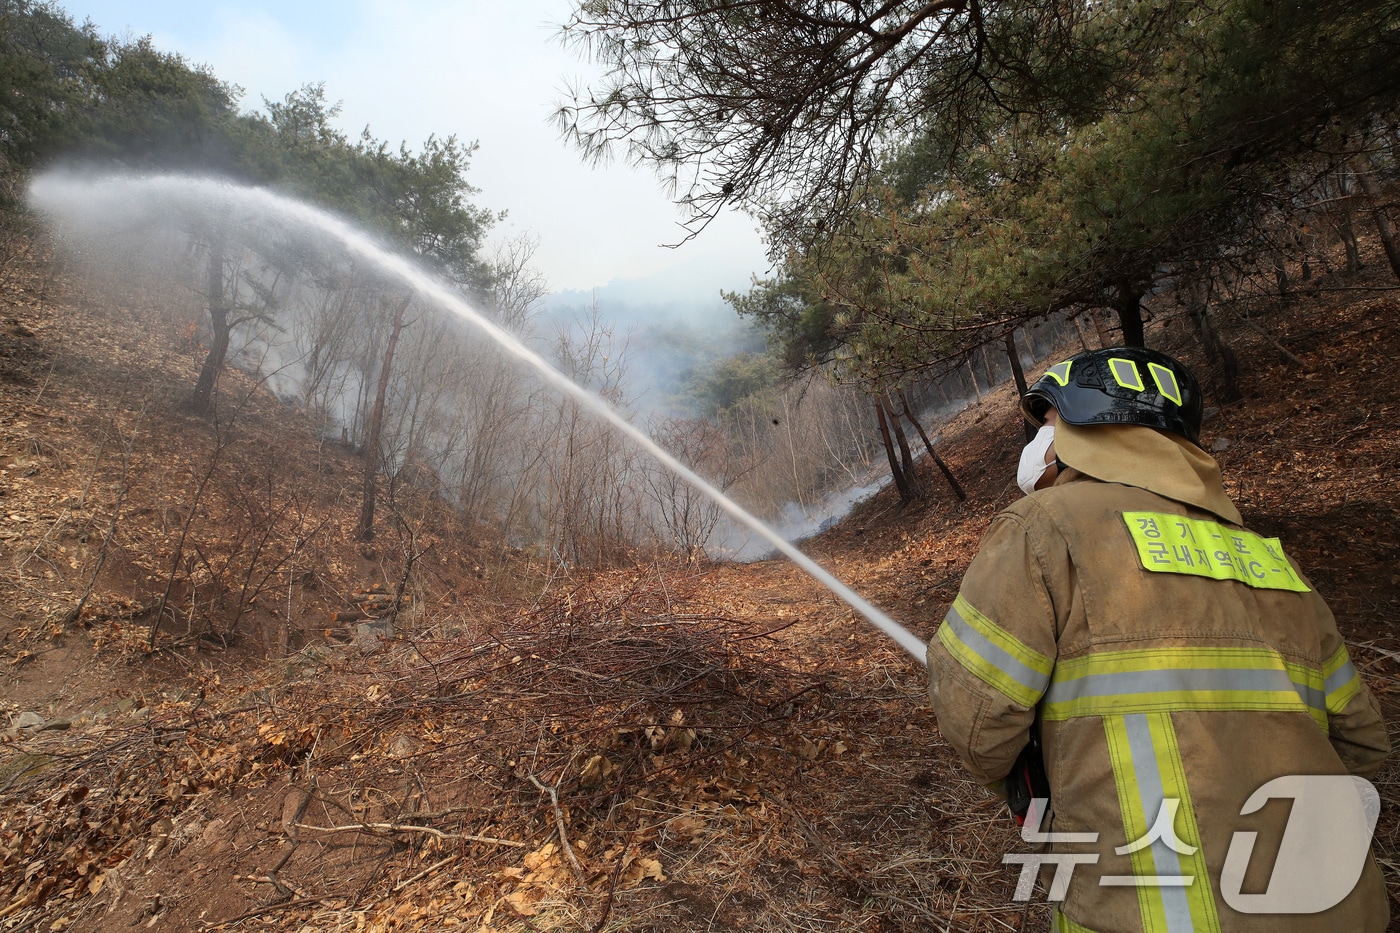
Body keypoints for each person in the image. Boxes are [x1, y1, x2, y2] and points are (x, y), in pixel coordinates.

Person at [925, 346, 1390, 932]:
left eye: (1047, 425)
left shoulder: (1045, 528)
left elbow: (976, 719)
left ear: (1087, 430)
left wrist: (1031, 777)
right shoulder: (1269, 559)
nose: (1037, 443)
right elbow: (1363, 741)